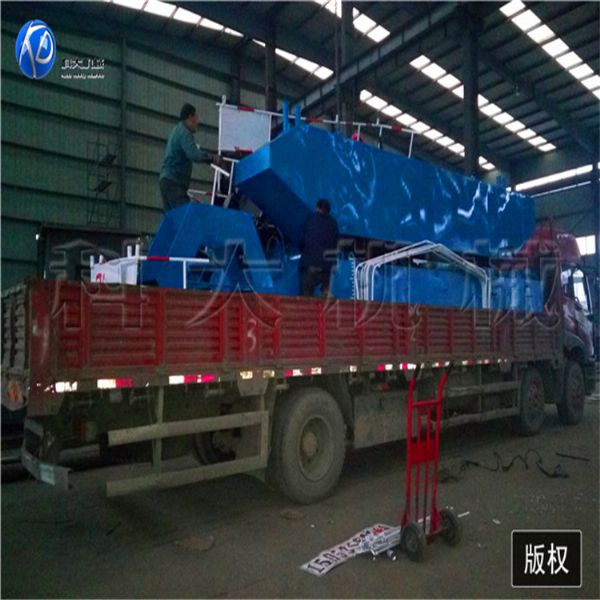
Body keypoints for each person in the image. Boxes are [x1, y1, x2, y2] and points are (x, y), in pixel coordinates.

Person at [159, 103, 218, 211]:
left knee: (172, 218)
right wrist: (212, 158)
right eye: (196, 117)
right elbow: (194, 154)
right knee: (185, 215)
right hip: (174, 182)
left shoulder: (176, 130)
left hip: (165, 180)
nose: (197, 122)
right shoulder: (184, 133)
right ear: (190, 117)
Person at [300, 199, 339, 297]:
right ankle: (326, 293)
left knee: (305, 298)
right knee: (326, 296)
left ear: (317, 208)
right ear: (328, 211)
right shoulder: (334, 224)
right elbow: (335, 246)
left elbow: (302, 241)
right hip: (327, 269)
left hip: (310, 266)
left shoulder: (310, 219)